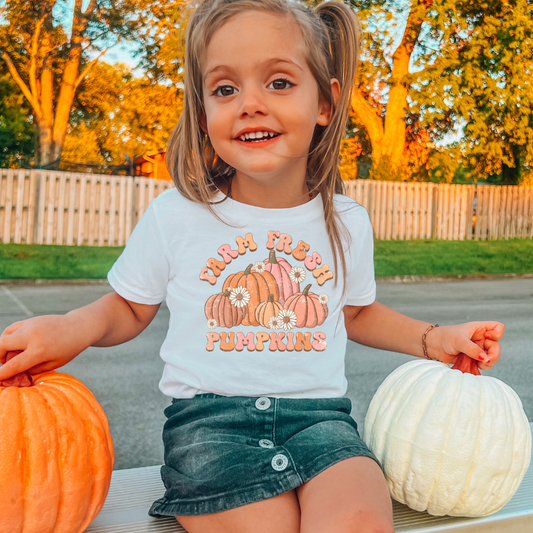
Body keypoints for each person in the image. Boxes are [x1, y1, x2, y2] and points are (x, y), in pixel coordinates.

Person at [0, 0, 505, 531]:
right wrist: (68, 329)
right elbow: (129, 306)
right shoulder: (178, 214)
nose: (250, 104)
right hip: (211, 429)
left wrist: (434, 338)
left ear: (327, 103)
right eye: (225, 89)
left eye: (280, 83)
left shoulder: (347, 221)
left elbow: (356, 314)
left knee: (359, 518)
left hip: (322, 424)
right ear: (203, 114)